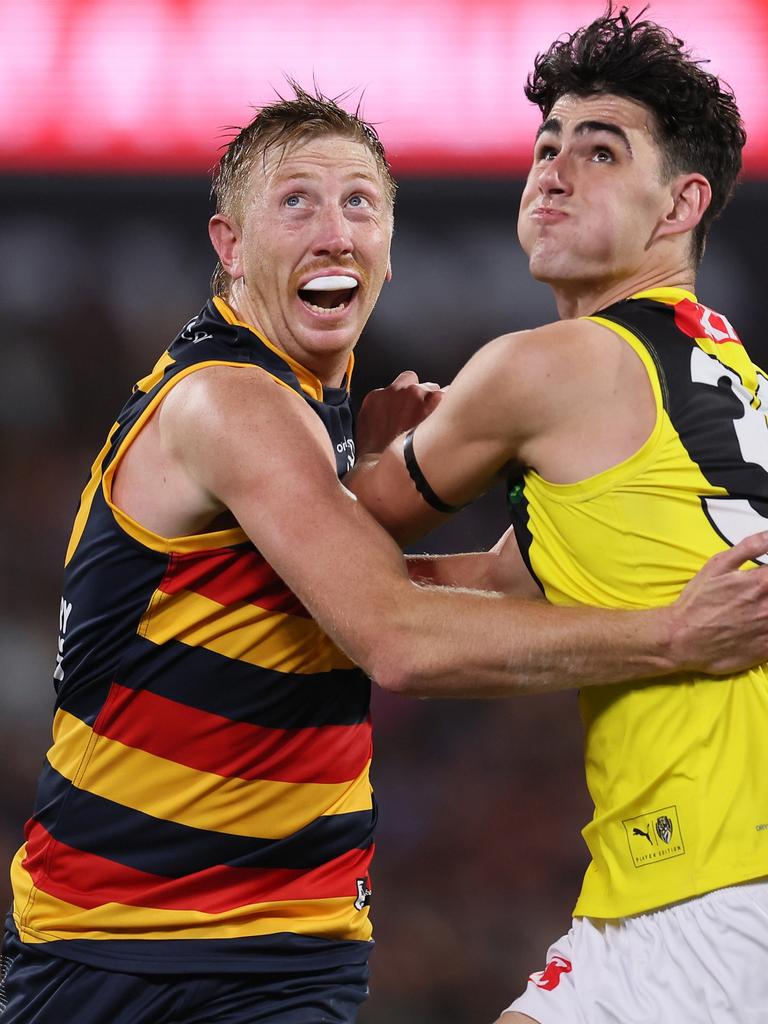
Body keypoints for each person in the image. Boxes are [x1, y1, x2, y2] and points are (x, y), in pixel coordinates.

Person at [3, 82, 768, 1024]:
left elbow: (460, 589)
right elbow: (393, 632)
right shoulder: (226, 399)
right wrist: (671, 636)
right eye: (297, 201)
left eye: (360, 202)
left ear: (390, 250)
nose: (335, 232)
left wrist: (367, 481)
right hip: (131, 945)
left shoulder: (317, 423)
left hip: (296, 944)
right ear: (229, 247)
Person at [347, 8, 768, 1023]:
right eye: (546, 147)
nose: (555, 170)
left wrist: (361, 456)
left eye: (600, 150)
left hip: (713, 875)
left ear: (683, 203)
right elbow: (502, 584)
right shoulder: (730, 378)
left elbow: (342, 537)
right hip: (689, 880)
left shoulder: (554, 364)